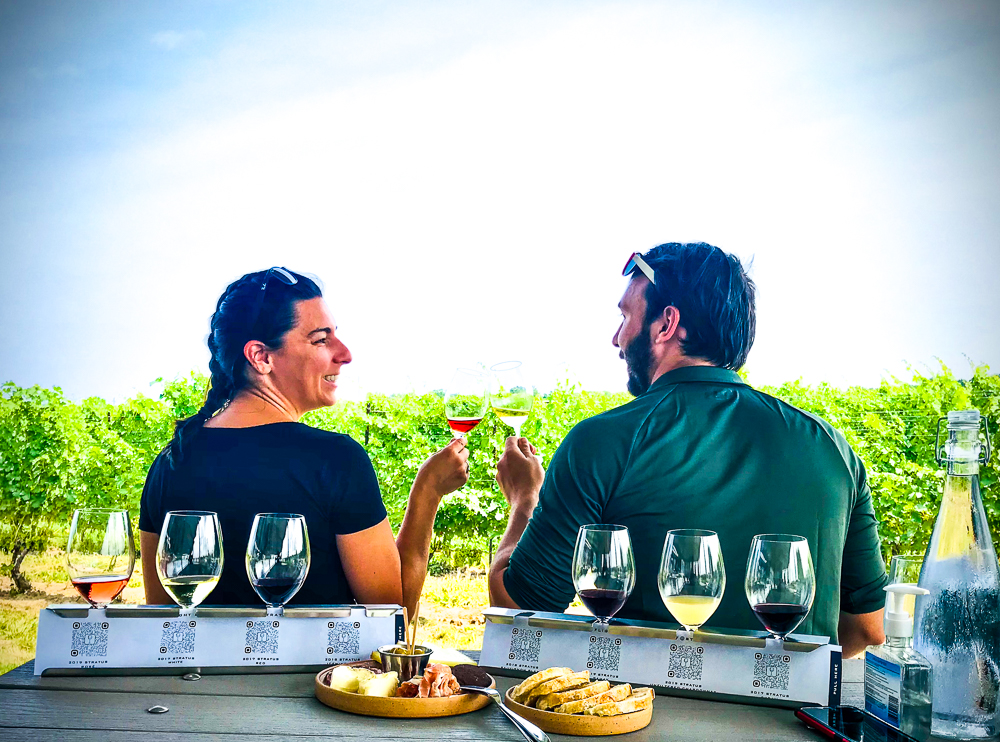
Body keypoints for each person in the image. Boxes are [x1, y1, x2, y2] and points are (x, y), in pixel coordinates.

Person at [488, 243, 888, 657]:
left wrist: (523, 499)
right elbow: (866, 630)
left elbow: (518, 610)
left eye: (625, 316)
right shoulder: (832, 448)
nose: (616, 339)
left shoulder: (603, 441)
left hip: (642, 716)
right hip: (798, 720)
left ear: (666, 325)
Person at [140, 267, 467, 616]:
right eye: (321, 340)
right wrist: (428, 492)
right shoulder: (337, 461)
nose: (345, 354)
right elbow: (392, 616)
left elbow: (164, 618)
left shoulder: (172, 460)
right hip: (314, 674)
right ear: (261, 357)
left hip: (202, 673)